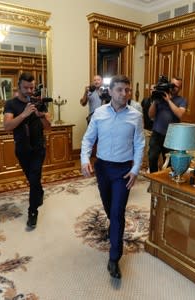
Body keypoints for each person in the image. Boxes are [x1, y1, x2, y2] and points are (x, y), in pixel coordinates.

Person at [80, 75, 145, 279]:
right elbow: (88, 139)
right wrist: (84, 160)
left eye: (127, 90)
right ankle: (114, 229)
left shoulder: (135, 115)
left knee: (117, 212)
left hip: (123, 170)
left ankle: (114, 258)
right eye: (120, 90)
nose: (124, 94)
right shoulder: (98, 113)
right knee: (109, 206)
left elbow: (140, 144)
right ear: (111, 92)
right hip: (103, 168)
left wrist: (135, 170)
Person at [3, 72, 52, 230]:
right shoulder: (11, 104)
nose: (30, 90)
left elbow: (49, 127)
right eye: (26, 87)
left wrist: (41, 116)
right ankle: (39, 191)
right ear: (19, 87)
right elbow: (7, 126)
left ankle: (32, 212)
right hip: (22, 149)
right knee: (33, 180)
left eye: (32, 87)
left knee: (34, 176)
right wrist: (24, 114)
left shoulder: (39, 103)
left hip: (39, 148)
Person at [147, 77, 187, 173]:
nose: (173, 88)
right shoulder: (159, 98)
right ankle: (154, 180)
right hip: (157, 133)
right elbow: (150, 115)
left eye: (176, 86)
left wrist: (169, 100)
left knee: (169, 162)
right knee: (152, 158)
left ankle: (166, 182)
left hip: (171, 136)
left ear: (180, 88)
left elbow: (180, 114)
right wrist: (155, 100)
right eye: (172, 85)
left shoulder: (182, 100)